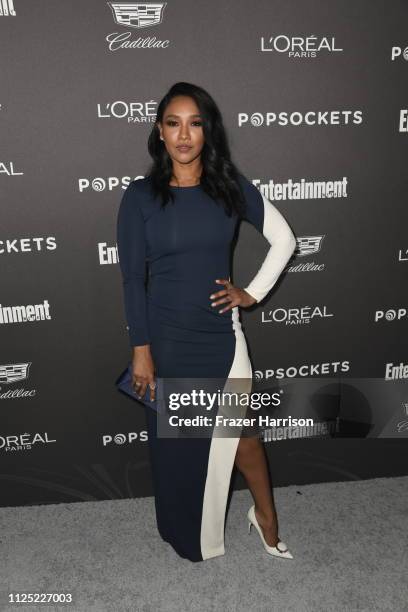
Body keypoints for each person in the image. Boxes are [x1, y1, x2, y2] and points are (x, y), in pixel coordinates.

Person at [116, 81, 297, 562]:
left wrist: (251, 293)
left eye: (195, 123)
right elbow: (133, 279)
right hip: (167, 342)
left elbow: (284, 239)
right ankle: (187, 531)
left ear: (207, 131)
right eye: (173, 123)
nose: (183, 135)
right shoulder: (139, 197)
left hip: (220, 337)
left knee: (242, 437)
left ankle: (266, 516)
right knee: (177, 448)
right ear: (159, 131)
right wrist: (141, 350)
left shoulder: (229, 187)